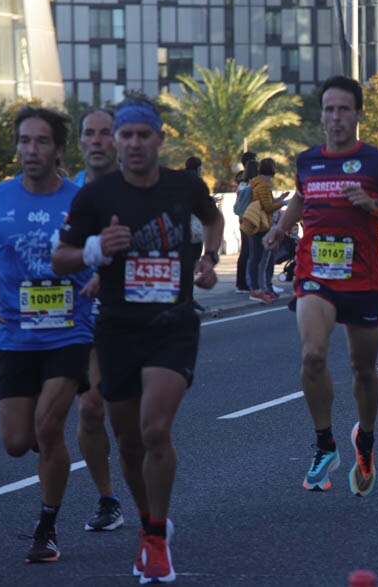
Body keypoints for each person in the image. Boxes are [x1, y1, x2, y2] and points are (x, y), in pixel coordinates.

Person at [52, 98, 225, 582]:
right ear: (115, 141)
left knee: (154, 430)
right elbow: (59, 258)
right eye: (124, 136)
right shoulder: (96, 198)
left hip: (173, 324)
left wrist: (208, 258)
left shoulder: (184, 186)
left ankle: (152, 537)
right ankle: (151, 518)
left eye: (142, 135)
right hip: (117, 328)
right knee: (127, 441)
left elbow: (213, 218)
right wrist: (94, 249)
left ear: (159, 139)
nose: (132, 144)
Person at [262, 76, 378, 496]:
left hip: (362, 277)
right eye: (329, 109)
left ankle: (365, 437)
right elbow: (299, 197)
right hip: (315, 274)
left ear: (359, 114)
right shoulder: (309, 160)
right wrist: (280, 228)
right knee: (312, 357)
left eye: (344, 109)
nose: (336, 117)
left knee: (363, 370)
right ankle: (325, 443)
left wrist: (374, 206)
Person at [0, 106, 96, 563]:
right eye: (24, 141)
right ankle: (54, 453)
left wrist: (100, 277)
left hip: (69, 332)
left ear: (59, 149)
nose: (31, 150)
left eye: (41, 141)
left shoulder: (82, 200)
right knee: (17, 442)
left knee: (48, 425)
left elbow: (110, 253)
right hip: (13, 339)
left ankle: (47, 528)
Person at [72, 108, 126, 533]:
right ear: (78, 142)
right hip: (78, 319)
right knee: (90, 409)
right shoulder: (65, 194)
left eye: (105, 133)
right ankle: (108, 499)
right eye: (88, 133)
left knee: (136, 422)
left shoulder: (143, 188)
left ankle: (150, 502)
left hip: (134, 318)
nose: (96, 141)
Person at [247, 158, 289, 303]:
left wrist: (278, 200)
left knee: (258, 259)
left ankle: (259, 289)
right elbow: (268, 207)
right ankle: (259, 289)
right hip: (262, 226)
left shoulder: (256, 183)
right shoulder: (263, 185)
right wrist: (282, 203)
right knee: (261, 260)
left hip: (256, 224)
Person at [232, 158, 257, 293]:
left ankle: (241, 282)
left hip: (242, 219)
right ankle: (246, 283)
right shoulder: (254, 185)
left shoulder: (241, 184)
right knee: (251, 252)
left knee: (245, 251)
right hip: (252, 219)